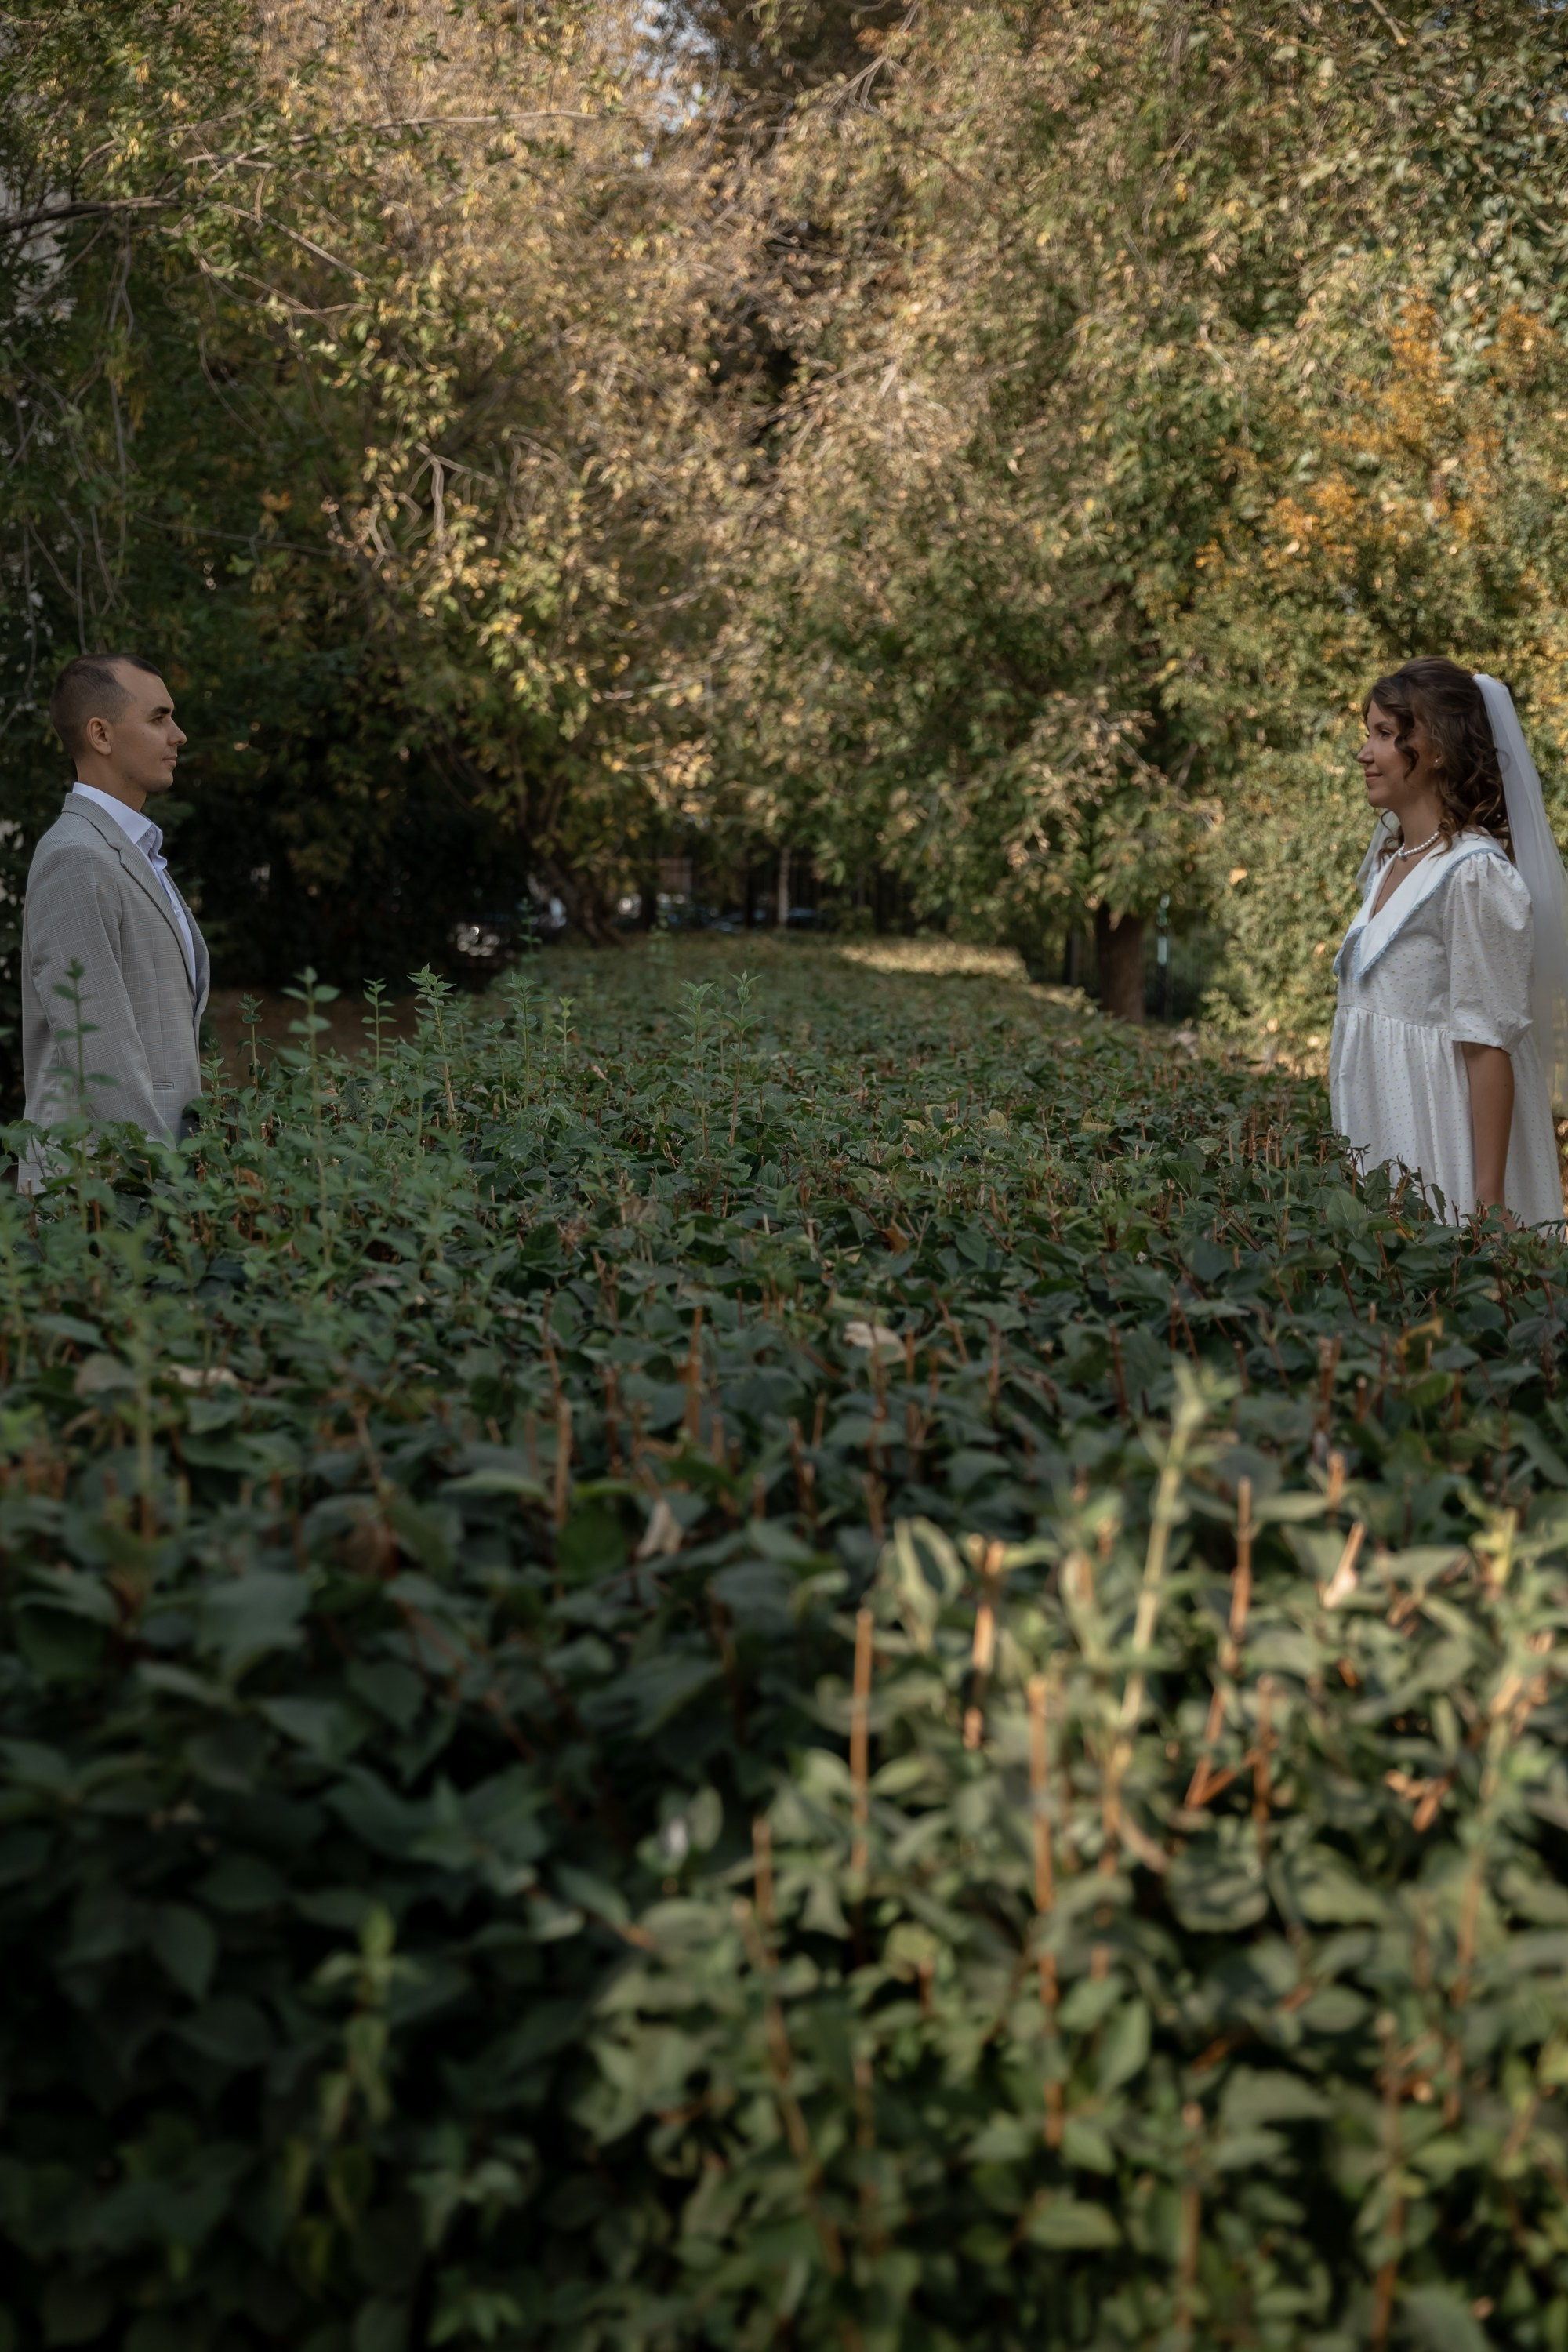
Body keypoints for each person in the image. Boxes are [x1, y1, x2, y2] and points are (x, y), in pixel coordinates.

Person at [1330, 658, 1567, 1231]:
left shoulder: (1472, 874)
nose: (1365, 753)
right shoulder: (1395, 862)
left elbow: (1487, 1043)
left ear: (1436, 749)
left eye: (1386, 734)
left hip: (1439, 1143)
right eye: (1370, 733)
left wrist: (1486, 1202)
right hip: (1379, 1130)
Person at [19, 654, 208, 1189]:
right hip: (101, 1189)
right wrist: (164, 1184)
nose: (179, 734)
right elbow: (98, 1047)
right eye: (158, 718)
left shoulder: (132, 851)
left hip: (138, 1177)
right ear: (100, 734)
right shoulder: (76, 856)